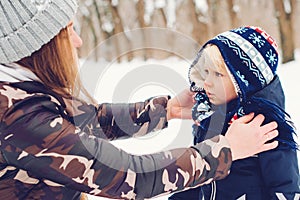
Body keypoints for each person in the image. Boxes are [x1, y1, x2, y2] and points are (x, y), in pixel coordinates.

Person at [0, 1, 279, 199]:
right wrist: (225, 149)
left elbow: (86, 121)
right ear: (40, 45)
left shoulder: (22, 89)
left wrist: (164, 110)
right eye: (68, 30)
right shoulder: (16, 115)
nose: (78, 42)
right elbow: (127, 175)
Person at [170, 26, 299, 200]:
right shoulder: (208, 117)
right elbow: (197, 177)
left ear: (245, 80)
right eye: (206, 72)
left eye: (218, 74)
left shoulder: (266, 128)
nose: (207, 82)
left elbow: (285, 189)